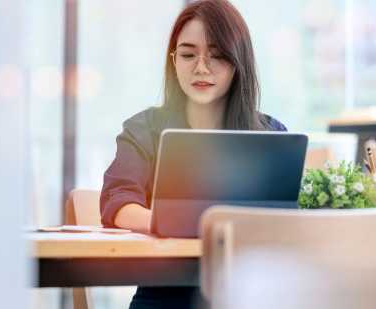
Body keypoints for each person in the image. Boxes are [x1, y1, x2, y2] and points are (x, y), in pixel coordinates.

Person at [99, 0, 287, 308]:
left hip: (250, 295)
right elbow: (117, 202)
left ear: (238, 62)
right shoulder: (145, 128)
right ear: (173, 61)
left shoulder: (271, 133)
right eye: (187, 54)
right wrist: (186, 226)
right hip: (164, 295)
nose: (201, 67)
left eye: (216, 56)